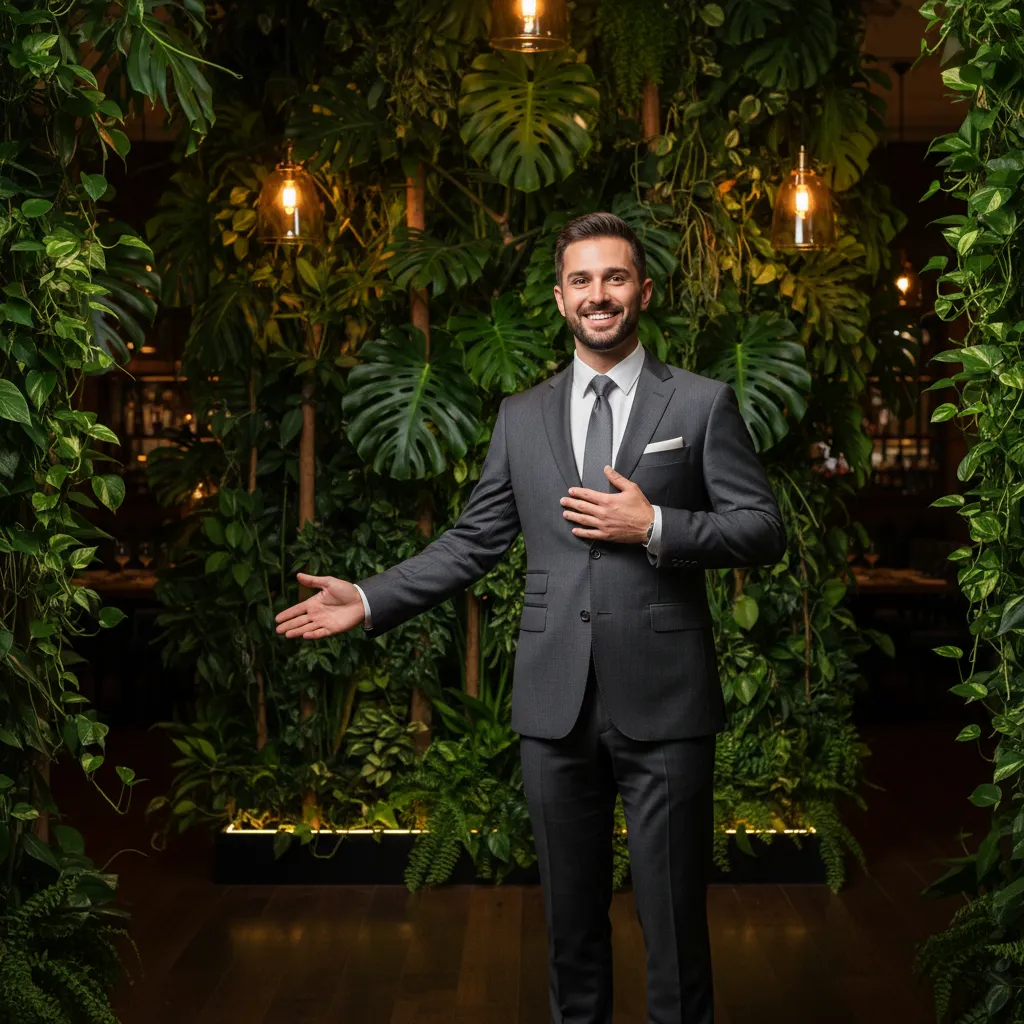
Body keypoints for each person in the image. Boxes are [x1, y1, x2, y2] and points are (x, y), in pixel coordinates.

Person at [275, 212, 786, 1023]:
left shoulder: (701, 401)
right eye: (582, 280)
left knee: (676, 932)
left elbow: (761, 527)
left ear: (643, 291)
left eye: (615, 278)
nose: (599, 295)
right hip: (554, 707)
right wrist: (370, 597)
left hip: (666, 701)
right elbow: (474, 540)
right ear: (558, 299)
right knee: (569, 932)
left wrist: (653, 526)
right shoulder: (522, 415)